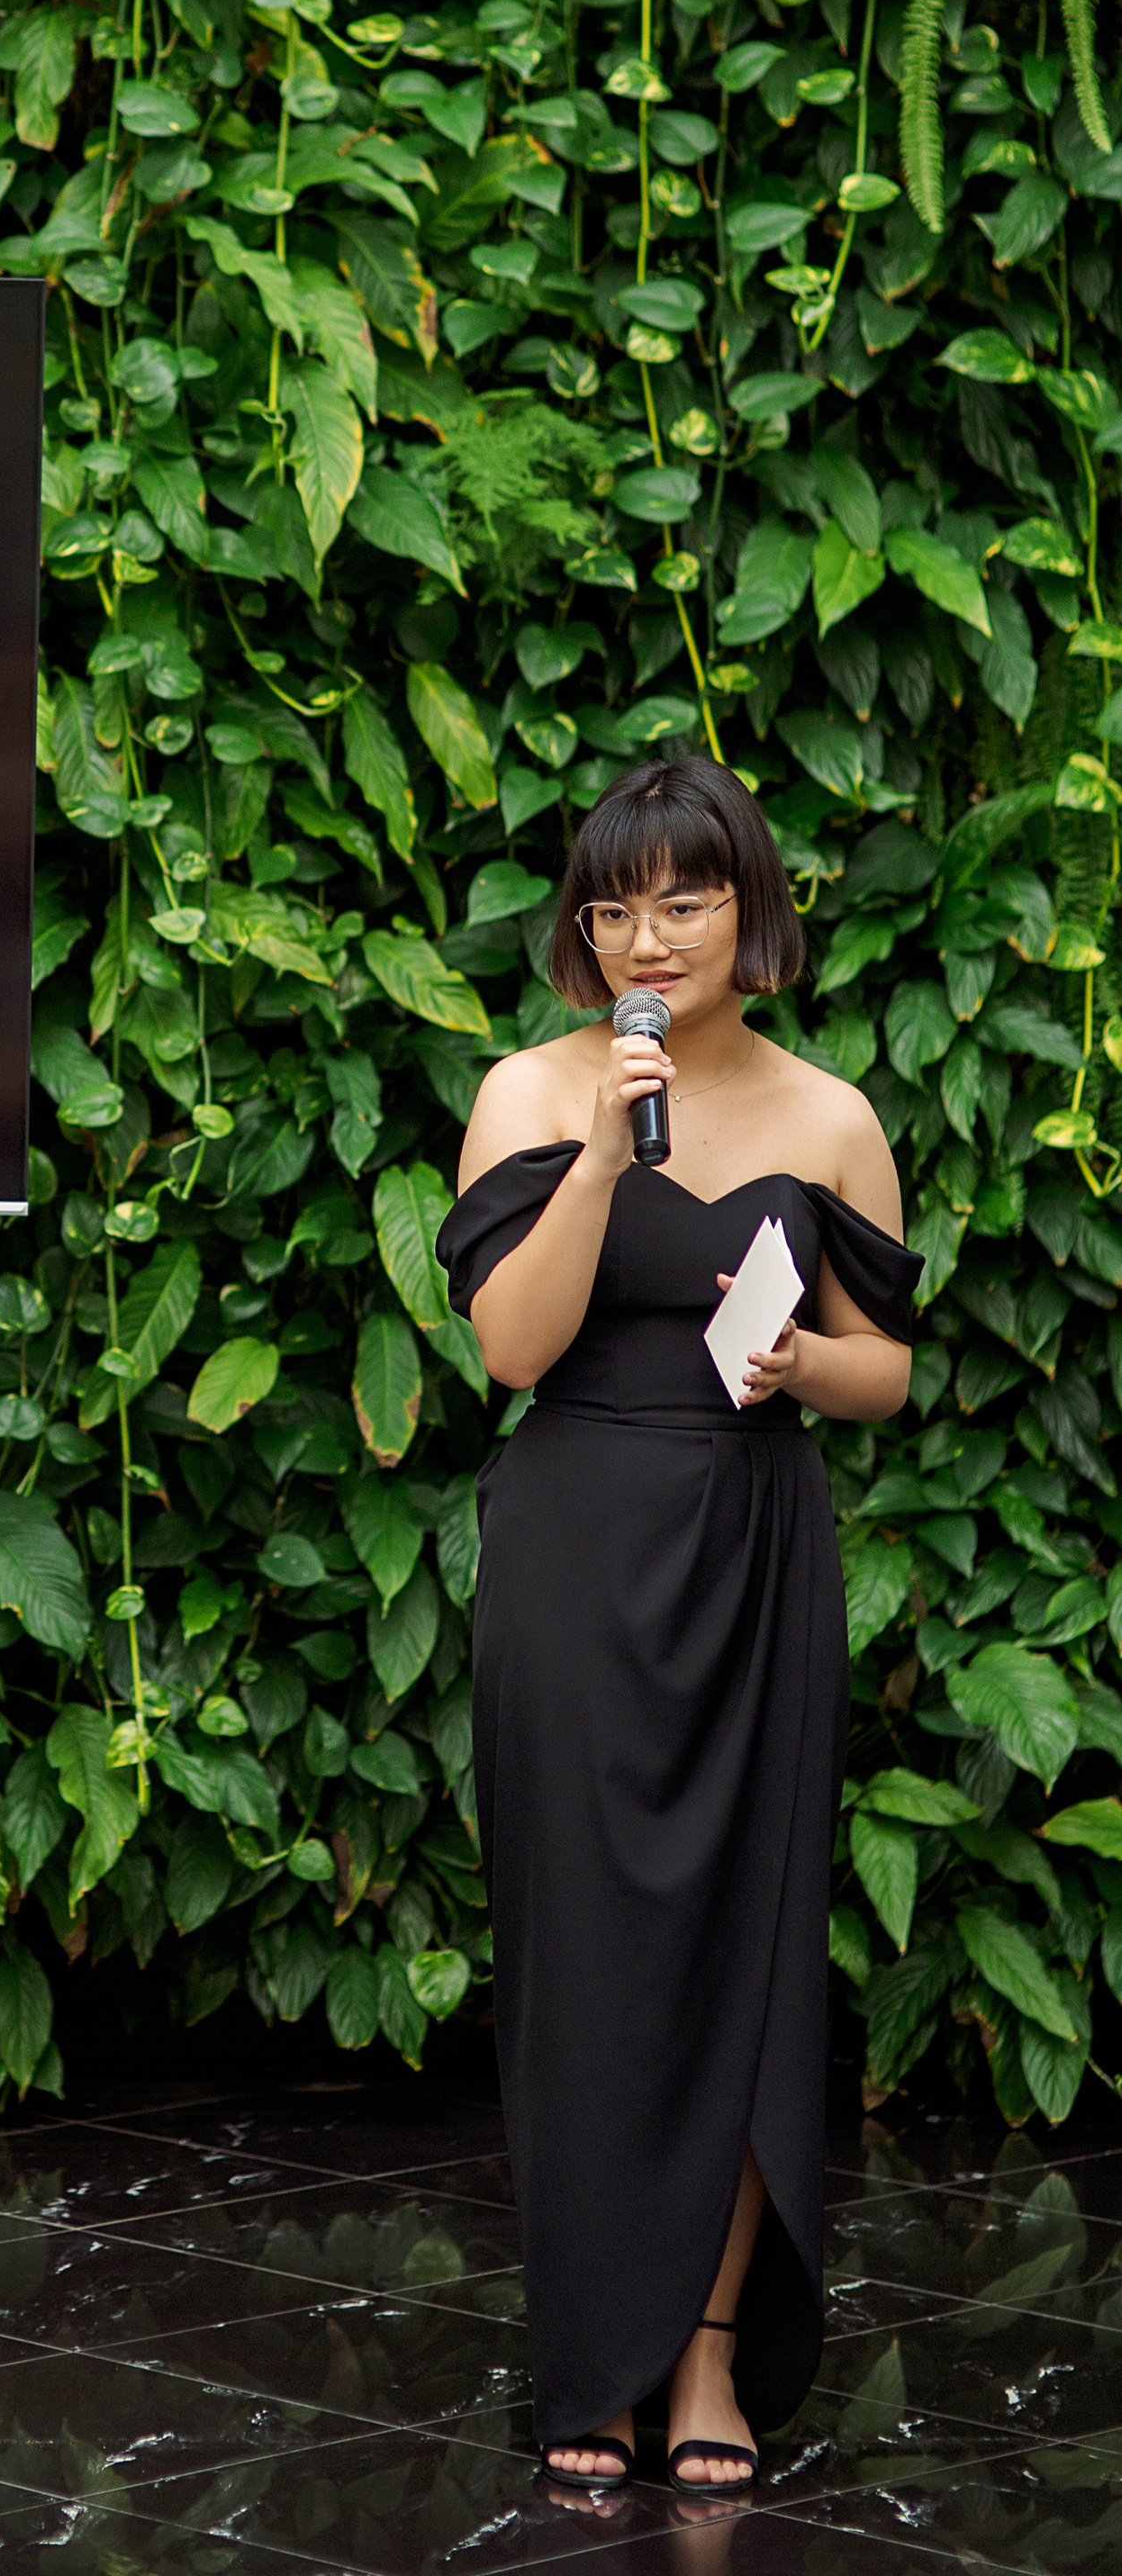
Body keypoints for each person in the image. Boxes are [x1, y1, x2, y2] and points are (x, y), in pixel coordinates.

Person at [432, 754, 918, 2499]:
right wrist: (592, 1156)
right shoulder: (523, 1090)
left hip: (751, 1549)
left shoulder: (826, 1115)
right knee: (581, 1963)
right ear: (582, 930)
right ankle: (591, 2352)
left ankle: (706, 2357)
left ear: (747, 908)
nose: (650, 936)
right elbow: (508, 1349)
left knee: (744, 1956)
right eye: (614, 906)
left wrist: (802, 1365)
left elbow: (886, 1369)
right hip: (572, 1549)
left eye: (685, 900)